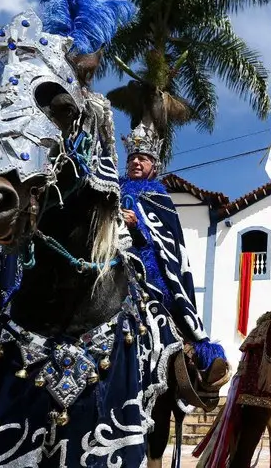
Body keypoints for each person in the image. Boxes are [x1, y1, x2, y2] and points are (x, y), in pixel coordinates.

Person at [119, 125, 227, 387]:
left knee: (166, 297)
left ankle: (189, 356)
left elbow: (167, 242)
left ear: (153, 166)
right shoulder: (112, 190)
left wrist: (137, 228)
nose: (136, 161)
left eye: (142, 158)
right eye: (132, 157)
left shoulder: (159, 198)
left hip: (147, 264)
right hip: (111, 257)